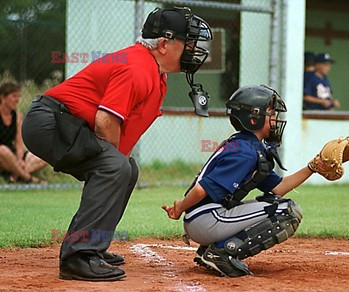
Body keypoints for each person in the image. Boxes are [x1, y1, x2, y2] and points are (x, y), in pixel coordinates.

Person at [21, 7, 212, 281]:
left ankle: (93, 245)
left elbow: (123, 132)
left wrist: (116, 166)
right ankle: (79, 256)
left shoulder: (155, 72)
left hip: (63, 122)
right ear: (163, 44)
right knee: (115, 166)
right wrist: (112, 165)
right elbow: (105, 121)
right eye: (188, 43)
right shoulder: (138, 67)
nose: (194, 49)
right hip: (50, 121)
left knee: (126, 169)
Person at [163, 85, 318, 277]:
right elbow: (203, 189)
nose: (276, 119)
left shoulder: (248, 145)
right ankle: (221, 253)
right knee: (287, 211)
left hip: (207, 217)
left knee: (278, 204)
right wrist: (180, 207)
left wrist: (313, 167)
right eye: (270, 113)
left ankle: (213, 249)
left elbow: (278, 188)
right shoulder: (244, 153)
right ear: (254, 119)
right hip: (205, 220)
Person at [0, 82, 47, 183]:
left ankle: (15, 175)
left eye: (18, 96)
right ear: (2, 98)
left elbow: (19, 142)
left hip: (12, 154)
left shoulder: (17, 116)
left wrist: (20, 159)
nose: (17, 100)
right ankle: (29, 178)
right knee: (2, 150)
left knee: (45, 155)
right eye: (14, 96)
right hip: (2, 154)